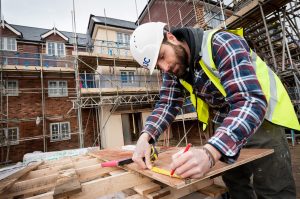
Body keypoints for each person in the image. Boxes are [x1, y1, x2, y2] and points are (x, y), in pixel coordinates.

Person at [129, 22, 298, 198]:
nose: (165, 68)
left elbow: (249, 100)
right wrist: (145, 137)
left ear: (171, 38)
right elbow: (167, 104)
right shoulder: (174, 68)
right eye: (158, 65)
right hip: (226, 122)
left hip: (261, 117)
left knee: (273, 188)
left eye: (162, 56)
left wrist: (210, 153)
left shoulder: (221, 43)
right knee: (235, 185)